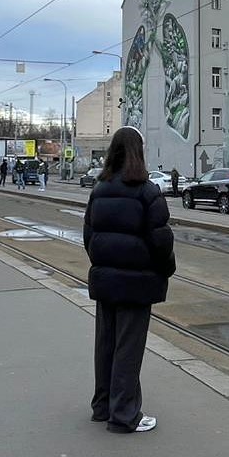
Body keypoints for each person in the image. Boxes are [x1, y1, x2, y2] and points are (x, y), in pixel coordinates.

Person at [82, 126, 174, 434]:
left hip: (106, 280)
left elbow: (89, 236)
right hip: (138, 284)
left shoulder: (99, 189)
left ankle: (103, 406)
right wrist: (166, 269)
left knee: (105, 344)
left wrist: (104, 263)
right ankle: (124, 416)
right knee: (128, 349)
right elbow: (161, 241)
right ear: (139, 151)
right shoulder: (148, 191)